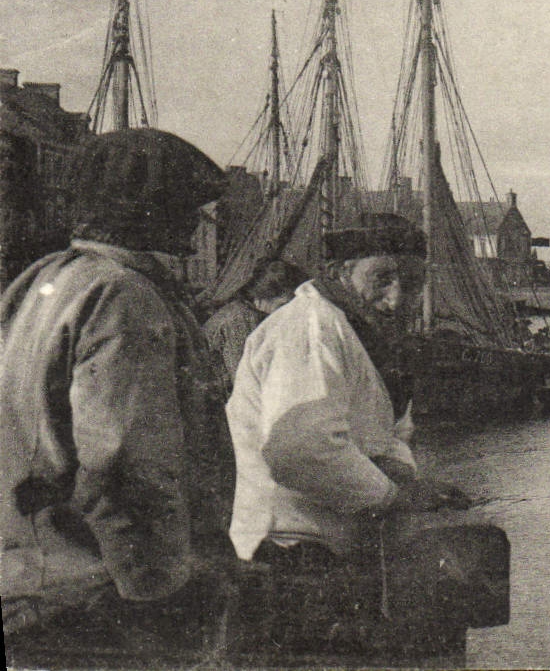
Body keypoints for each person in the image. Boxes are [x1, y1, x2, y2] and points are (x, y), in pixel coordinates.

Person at [0, 128, 228, 650]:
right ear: (151, 211)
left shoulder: (43, 281)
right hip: (100, 594)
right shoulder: (126, 295)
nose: (196, 221)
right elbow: (125, 458)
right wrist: (159, 590)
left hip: (30, 580)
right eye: (185, 205)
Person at [227, 212, 463, 572]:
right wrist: (393, 496)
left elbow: (387, 431)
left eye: (412, 284)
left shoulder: (359, 332)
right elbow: (299, 449)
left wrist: (400, 473)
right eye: (382, 279)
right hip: (288, 545)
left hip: (329, 540)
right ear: (341, 273)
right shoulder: (312, 328)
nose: (397, 299)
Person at [202, 259, 306, 392]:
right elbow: (245, 384)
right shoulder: (239, 319)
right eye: (283, 305)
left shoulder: (251, 313)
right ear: (263, 295)